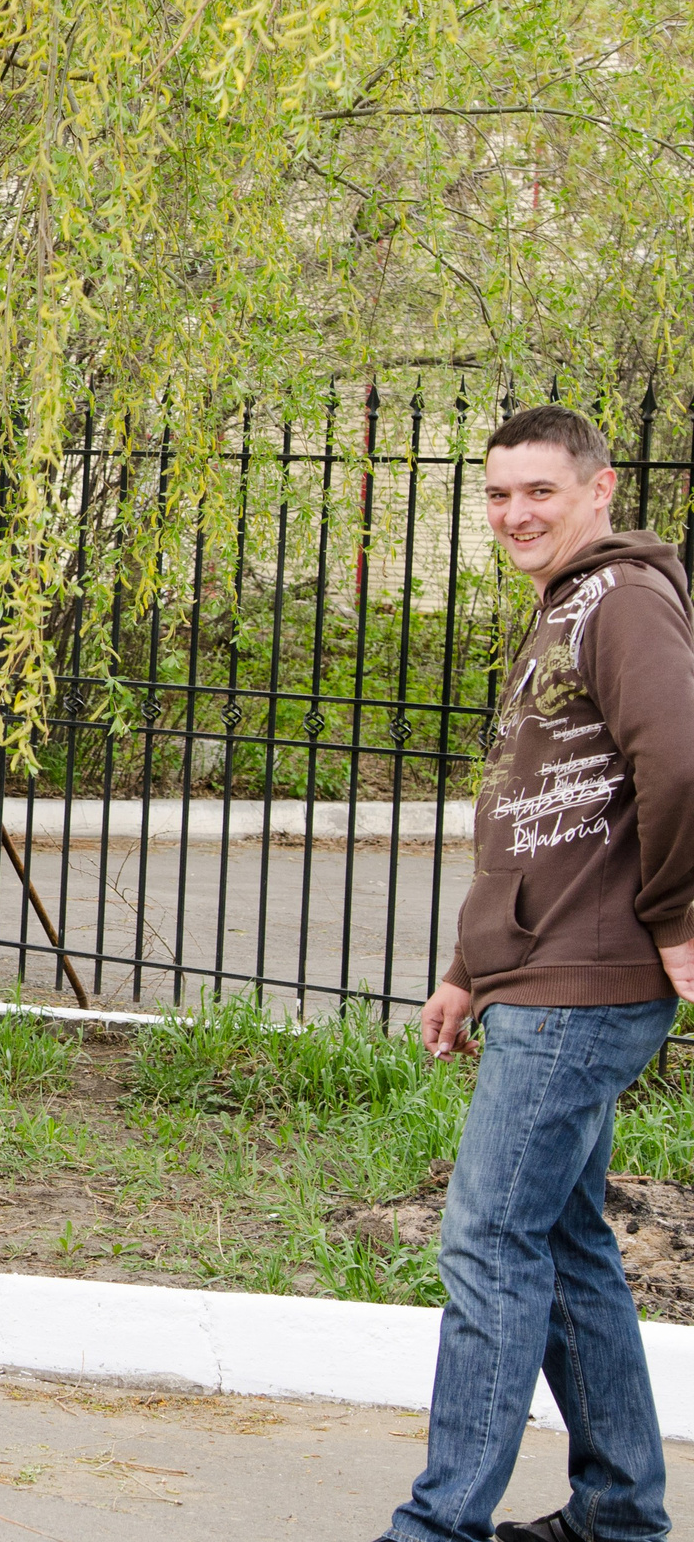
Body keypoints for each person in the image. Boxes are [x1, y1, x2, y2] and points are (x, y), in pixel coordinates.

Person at [378, 405, 694, 1542]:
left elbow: (681, 758)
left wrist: (673, 914)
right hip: (540, 973)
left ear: (599, 490)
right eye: (498, 493)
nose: (514, 513)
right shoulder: (569, 606)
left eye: (540, 492)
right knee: (561, 1246)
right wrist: (470, 964)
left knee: (487, 1241)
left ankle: (439, 1526)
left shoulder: (622, 602)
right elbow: (532, 818)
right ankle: (617, 1515)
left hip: (584, 986)